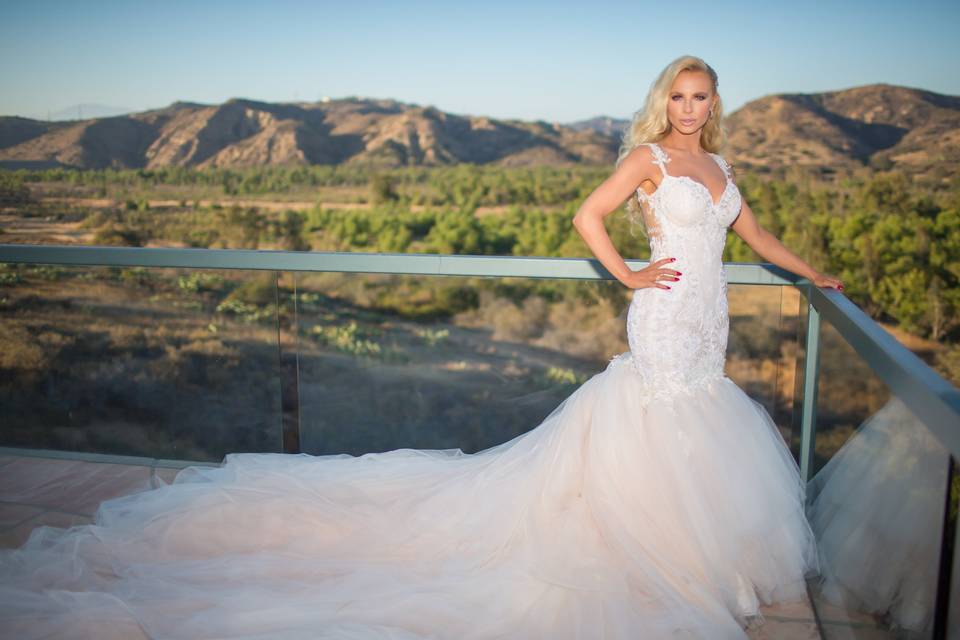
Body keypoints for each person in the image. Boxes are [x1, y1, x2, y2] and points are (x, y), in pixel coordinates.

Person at [0, 55, 843, 639]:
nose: (691, 108)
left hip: (709, 320)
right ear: (667, 102)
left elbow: (759, 237)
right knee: (663, 426)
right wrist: (626, 272)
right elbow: (585, 217)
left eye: (703, 98)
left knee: (701, 428)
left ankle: (699, 554)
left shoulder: (723, 167)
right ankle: (670, 560)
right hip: (662, 314)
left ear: (714, 104)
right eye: (682, 96)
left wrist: (817, 277)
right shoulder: (649, 158)